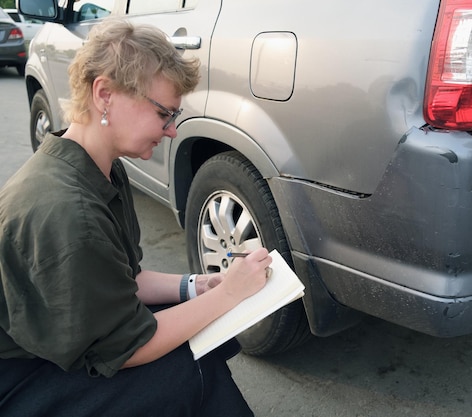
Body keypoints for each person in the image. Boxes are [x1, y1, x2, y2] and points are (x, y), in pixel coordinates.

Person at [0, 17, 272, 416]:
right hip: (21, 375)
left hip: (55, 341)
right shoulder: (69, 212)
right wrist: (230, 295)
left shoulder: (99, 167)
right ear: (104, 94)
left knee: (202, 343)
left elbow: (127, 280)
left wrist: (201, 286)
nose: (172, 130)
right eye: (165, 113)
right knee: (188, 371)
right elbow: (127, 347)